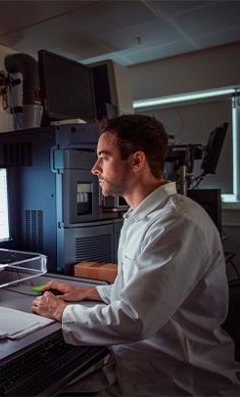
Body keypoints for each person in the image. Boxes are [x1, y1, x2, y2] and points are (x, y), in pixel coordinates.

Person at [31, 114, 240, 395]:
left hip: (182, 381)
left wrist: (62, 311)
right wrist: (89, 293)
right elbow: (140, 288)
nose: (94, 168)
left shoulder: (177, 223)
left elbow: (134, 319)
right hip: (141, 369)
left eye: (103, 157)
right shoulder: (141, 216)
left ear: (137, 161)